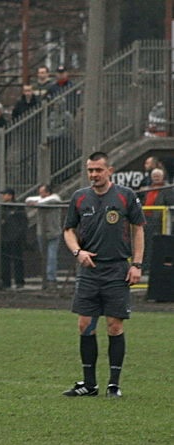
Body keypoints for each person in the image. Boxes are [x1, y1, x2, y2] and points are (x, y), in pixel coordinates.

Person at [61, 152, 145, 399]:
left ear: (110, 170)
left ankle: (113, 384)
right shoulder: (79, 198)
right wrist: (78, 251)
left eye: (98, 170)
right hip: (89, 271)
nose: (94, 175)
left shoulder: (125, 196)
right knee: (85, 325)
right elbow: (68, 230)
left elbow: (138, 230)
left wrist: (137, 264)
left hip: (118, 269)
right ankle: (89, 384)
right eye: (90, 170)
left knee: (114, 326)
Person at [25, 183, 64, 288]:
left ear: (48, 192)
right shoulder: (41, 199)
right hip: (41, 233)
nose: (40, 194)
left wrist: (37, 203)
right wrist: (37, 202)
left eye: (43, 192)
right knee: (44, 257)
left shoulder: (55, 198)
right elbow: (28, 200)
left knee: (51, 257)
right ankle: (45, 279)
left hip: (53, 233)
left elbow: (51, 201)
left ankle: (51, 279)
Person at [0, 188, 27, 290]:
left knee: (18, 260)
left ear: (10, 195)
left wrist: (19, 235)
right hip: (4, 238)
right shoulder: (2, 208)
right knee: (4, 261)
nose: (3, 197)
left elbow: (23, 222)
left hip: (16, 238)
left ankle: (19, 281)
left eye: (5, 194)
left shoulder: (18, 207)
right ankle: (6, 282)